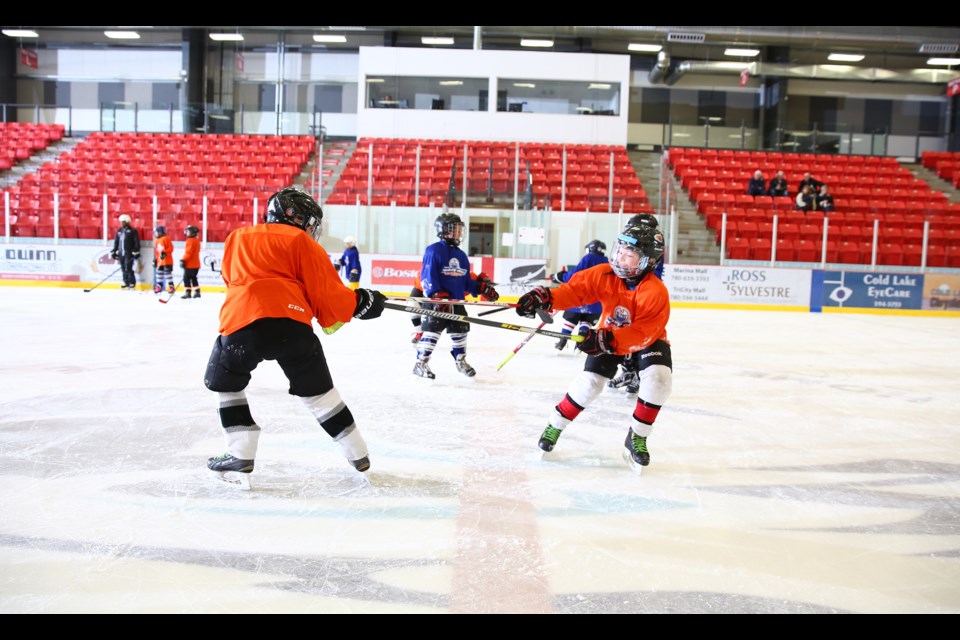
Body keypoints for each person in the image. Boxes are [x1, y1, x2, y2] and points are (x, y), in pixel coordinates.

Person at [203, 187, 387, 489]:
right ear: (294, 216)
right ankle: (359, 455)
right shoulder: (302, 242)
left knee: (225, 382)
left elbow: (230, 278)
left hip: (241, 324)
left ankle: (240, 453)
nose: (311, 229)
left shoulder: (236, 237)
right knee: (319, 394)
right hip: (292, 325)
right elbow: (328, 295)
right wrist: (359, 303)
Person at [515, 224, 672, 470]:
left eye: (630, 254)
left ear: (647, 261)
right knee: (589, 384)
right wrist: (547, 297)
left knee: (659, 379)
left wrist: (606, 340)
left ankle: (637, 436)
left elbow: (644, 332)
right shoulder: (604, 274)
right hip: (610, 333)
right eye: (620, 250)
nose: (621, 257)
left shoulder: (655, 291)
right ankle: (554, 424)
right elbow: (575, 291)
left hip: (646, 339)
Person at [413, 212, 498, 380]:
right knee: (432, 332)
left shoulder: (460, 255)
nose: (459, 232)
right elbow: (427, 276)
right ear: (443, 230)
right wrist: (436, 295)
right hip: (437, 302)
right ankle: (420, 363)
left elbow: (465, 281)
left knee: (460, 331)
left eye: (460, 229)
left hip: (456, 302)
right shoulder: (434, 250)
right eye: (455, 228)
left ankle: (460, 361)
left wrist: (481, 288)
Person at [607, 213, 665, 395]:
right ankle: (629, 371)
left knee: (637, 337)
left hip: (640, 302)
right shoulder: (631, 247)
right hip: (628, 299)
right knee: (621, 334)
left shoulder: (649, 251)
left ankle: (635, 374)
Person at [550, 239, 607, 351]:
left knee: (571, 319)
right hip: (597, 302)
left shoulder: (589, 258)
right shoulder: (607, 262)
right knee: (587, 322)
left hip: (581, 296)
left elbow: (576, 275)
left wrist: (560, 277)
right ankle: (580, 344)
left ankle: (562, 340)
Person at [111, 213, 141, 289]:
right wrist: (114, 251)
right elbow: (116, 242)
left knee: (128, 268)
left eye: (123, 221)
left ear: (127, 221)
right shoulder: (119, 231)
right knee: (123, 268)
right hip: (121, 253)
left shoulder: (132, 231)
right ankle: (126, 282)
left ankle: (132, 282)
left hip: (129, 253)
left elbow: (136, 242)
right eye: (121, 222)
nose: (121, 223)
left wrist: (136, 250)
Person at [180, 225, 201, 299]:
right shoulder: (196, 240)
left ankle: (188, 292)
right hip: (196, 264)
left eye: (188, 231)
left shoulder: (190, 241)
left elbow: (188, 252)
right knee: (194, 278)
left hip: (190, 264)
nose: (186, 233)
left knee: (186, 278)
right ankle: (197, 291)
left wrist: (183, 260)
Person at [153, 225, 175, 294]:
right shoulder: (156, 240)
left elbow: (171, 248)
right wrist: (156, 259)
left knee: (167, 274)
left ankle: (171, 286)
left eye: (156, 232)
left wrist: (165, 252)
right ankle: (159, 286)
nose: (155, 234)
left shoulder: (166, 239)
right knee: (159, 274)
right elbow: (156, 252)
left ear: (160, 232)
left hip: (167, 261)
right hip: (160, 261)